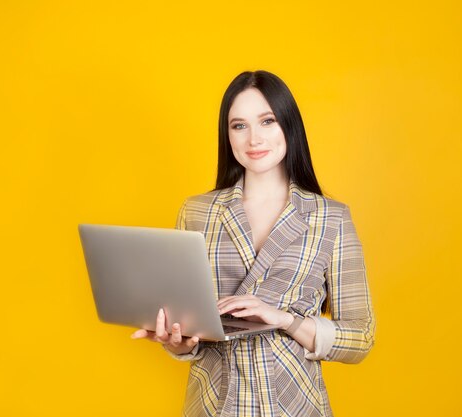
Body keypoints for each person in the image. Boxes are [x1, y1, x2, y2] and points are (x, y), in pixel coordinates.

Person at [131, 70, 376, 417]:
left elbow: (360, 338)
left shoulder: (331, 218)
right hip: (214, 406)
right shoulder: (197, 212)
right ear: (227, 135)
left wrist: (281, 318)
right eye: (239, 126)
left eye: (267, 121)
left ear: (288, 126)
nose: (254, 139)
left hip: (295, 407)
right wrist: (179, 342)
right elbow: (189, 326)